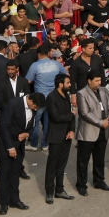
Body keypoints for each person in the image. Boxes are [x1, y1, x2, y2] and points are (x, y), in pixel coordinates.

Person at [0, 92, 44, 213]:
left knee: (15, 173)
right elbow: (4, 126)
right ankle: (4, 203)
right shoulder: (14, 104)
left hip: (20, 145)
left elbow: (32, 125)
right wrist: (10, 147)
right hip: (8, 144)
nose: (36, 109)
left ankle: (15, 199)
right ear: (31, 101)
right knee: (5, 174)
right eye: (36, 107)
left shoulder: (32, 109)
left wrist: (27, 134)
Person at [75, 73, 109, 196]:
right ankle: (81, 185)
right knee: (83, 161)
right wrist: (101, 123)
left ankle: (99, 181)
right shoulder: (82, 93)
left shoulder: (104, 91)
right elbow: (85, 114)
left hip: (103, 131)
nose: (99, 83)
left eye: (100, 80)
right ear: (89, 81)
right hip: (88, 132)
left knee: (99, 158)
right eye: (96, 81)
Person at [45, 73, 75, 202]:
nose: (70, 85)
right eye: (68, 83)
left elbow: (70, 115)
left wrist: (72, 130)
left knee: (62, 165)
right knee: (52, 165)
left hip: (66, 136)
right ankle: (49, 192)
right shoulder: (51, 97)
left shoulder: (66, 96)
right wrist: (72, 115)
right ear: (60, 84)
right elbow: (56, 117)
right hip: (55, 136)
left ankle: (60, 189)